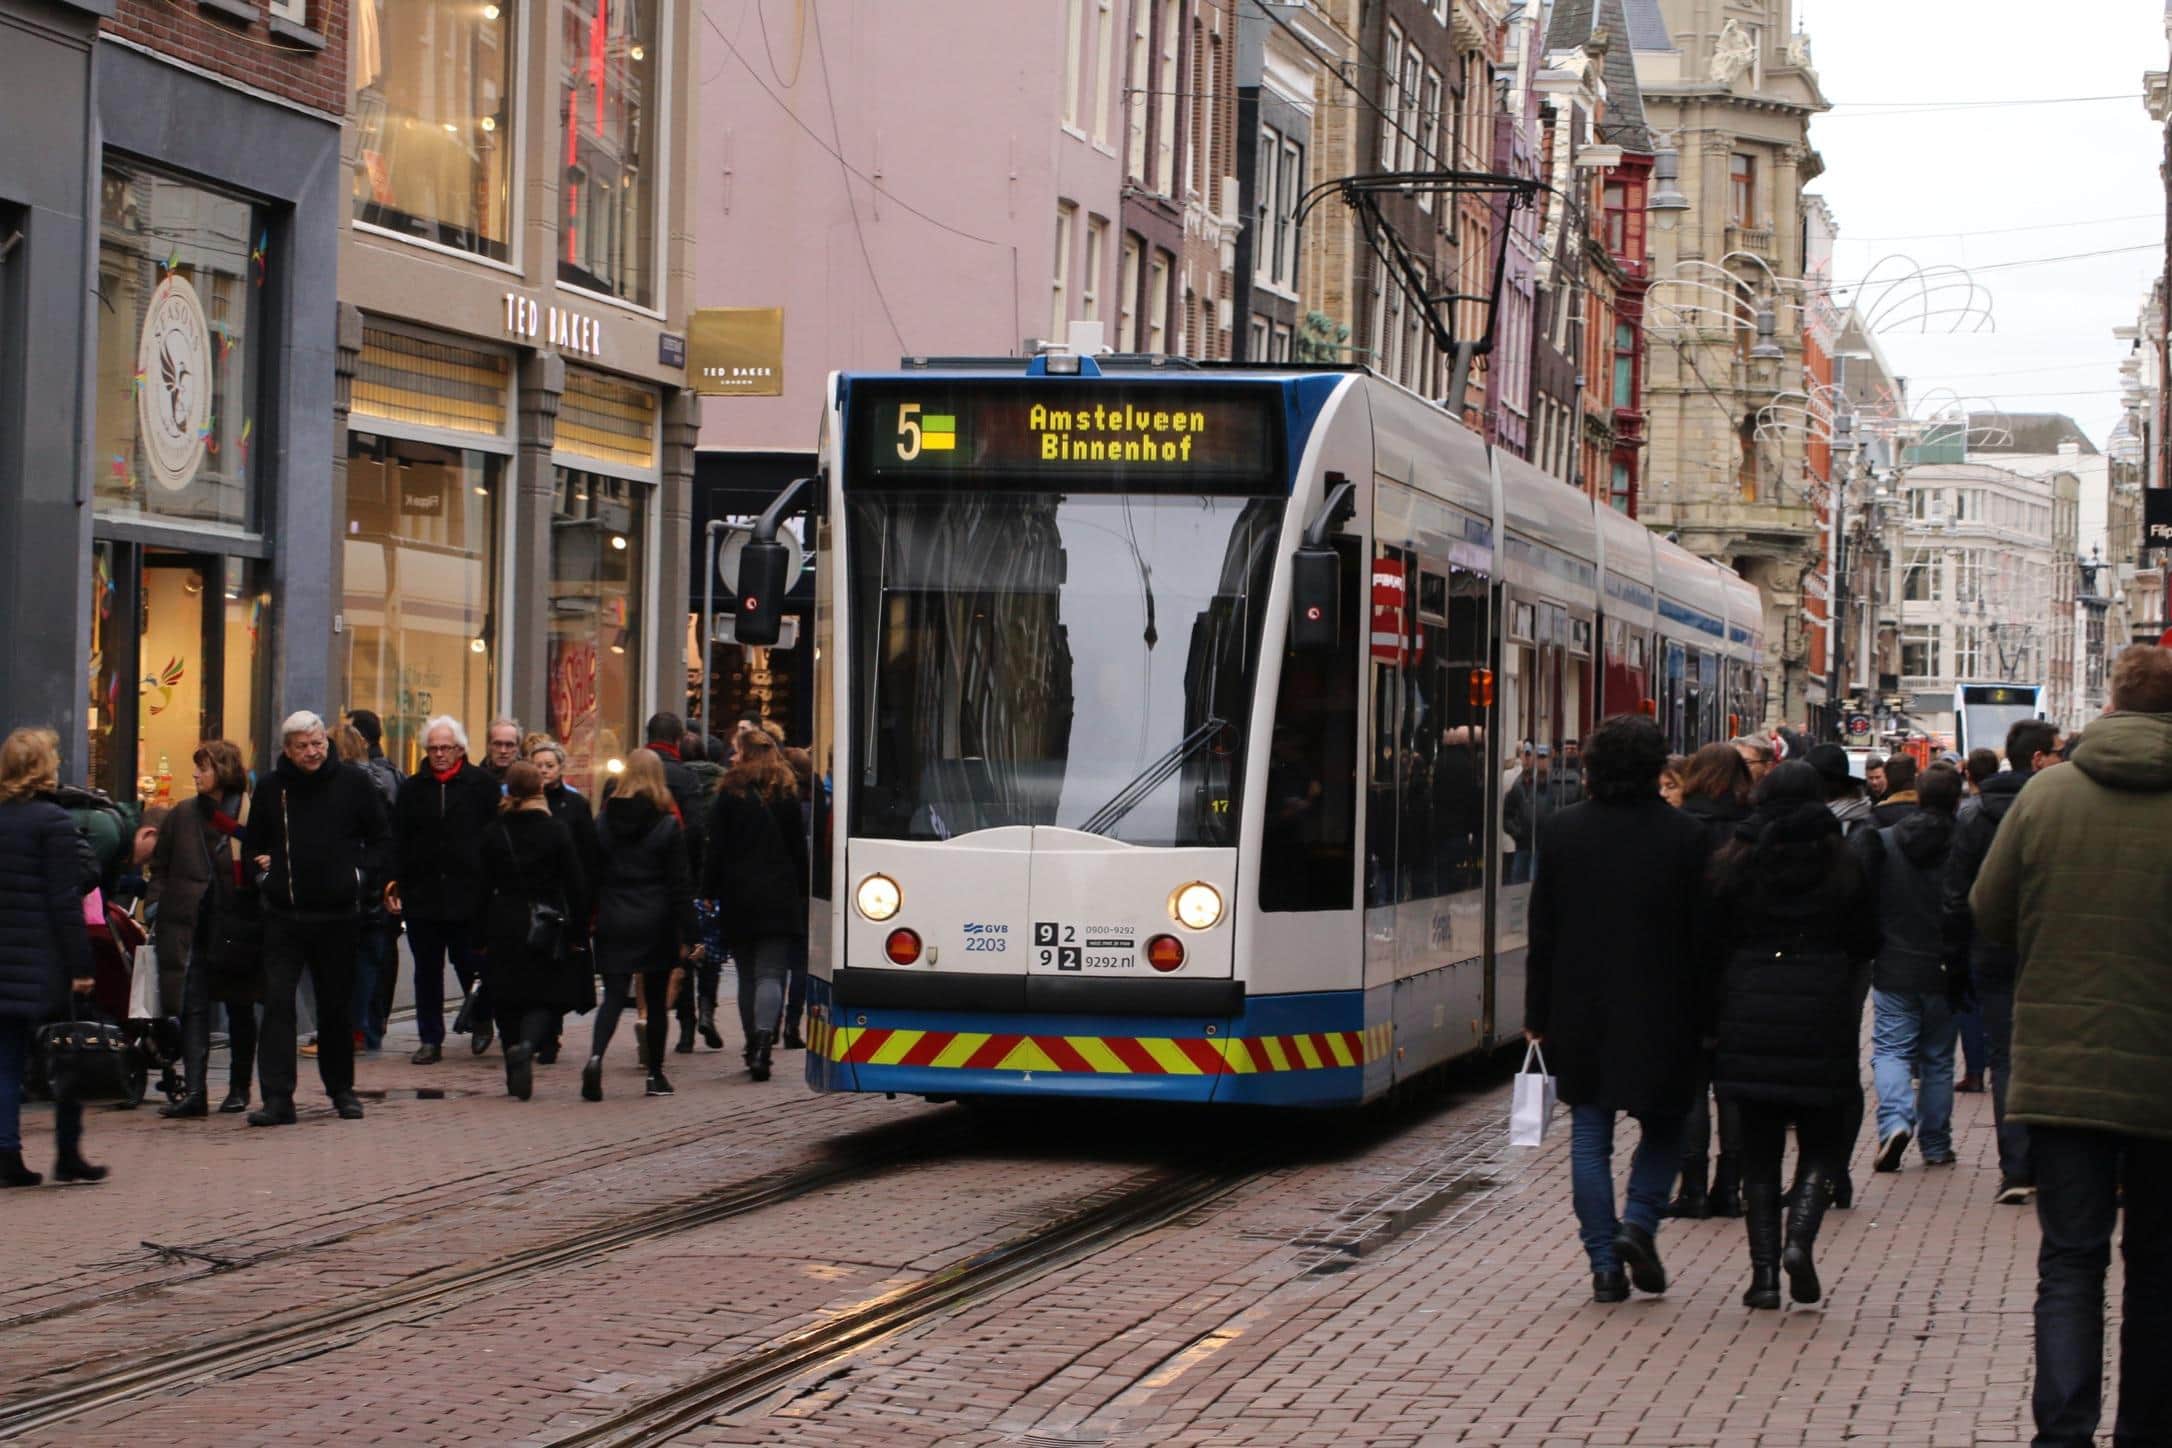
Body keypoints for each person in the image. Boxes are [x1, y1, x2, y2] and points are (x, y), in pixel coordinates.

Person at [1969, 645, 2172, 1448]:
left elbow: (1989, 910)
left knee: (2071, 1263)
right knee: (2158, 1268)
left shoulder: (2048, 794)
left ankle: (2064, 1427)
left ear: (2113, 704)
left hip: (2062, 1065)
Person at [1523, 715, 1711, 1303]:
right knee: (1665, 1126)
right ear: (1659, 767)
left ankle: (1604, 1263)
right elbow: (1702, 935)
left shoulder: (1562, 831)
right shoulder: (1687, 836)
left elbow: (1543, 930)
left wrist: (1537, 1012)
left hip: (1580, 1005)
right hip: (1666, 1004)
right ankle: (1639, 1224)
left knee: (1590, 1133)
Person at [1710, 761, 1880, 1309]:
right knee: (1821, 1141)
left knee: (1757, 1155)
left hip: (1751, 1007)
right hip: (1821, 1012)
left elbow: (1714, 935)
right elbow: (1867, 939)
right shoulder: (1842, 860)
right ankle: (1799, 1242)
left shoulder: (1738, 860)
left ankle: (1763, 1278)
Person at [241, 711, 390, 1126]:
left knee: (336, 1006)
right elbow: (253, 843)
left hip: (338, 914)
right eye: (303, 746)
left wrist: (360, 876)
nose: (312, 752)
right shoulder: (272, 788)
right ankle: (276, 1097)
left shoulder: (355, 784)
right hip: (284, 914)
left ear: (328, 741)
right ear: (288, 749)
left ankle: (341, 1088)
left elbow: (381, 839)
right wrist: (265, 873)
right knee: (277, 1004)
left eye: (318, 743)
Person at [1945, 715, 2063, 1206]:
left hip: (1992, 952)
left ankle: (2015, 1168)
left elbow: (1957, 895)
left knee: (2005, 1059)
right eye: (2057, 752)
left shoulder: (1972, 816)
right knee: (2054, 1056)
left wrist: (1957, 958)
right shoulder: (2059, 807)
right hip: (2050, 951)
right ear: (2038, 760)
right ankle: (2051, 1164)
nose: (2062, 759)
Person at [0, 728, 103, 1187]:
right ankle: (67, 1151)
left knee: (4, 1061)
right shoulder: (53, 822)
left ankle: (6, 1154)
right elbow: (65, 902)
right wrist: (82, 967)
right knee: (68, 1054)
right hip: (43, 960)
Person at [1858, 762, 1965, 1174]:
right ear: (1958, 799)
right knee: (1938, 1058)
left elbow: (1869, 898)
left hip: (1895, 961)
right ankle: (1936, 1144)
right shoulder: (1965, 843)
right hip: (1945, 963)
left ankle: (1896, 1122)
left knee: (1890, 1050)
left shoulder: (1885, 842)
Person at [1665, 742, 1755, 1220]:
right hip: (1743, 974)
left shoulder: (1679, 832)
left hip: (1687, 973)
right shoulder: (1754, 833)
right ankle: (1731, 1186)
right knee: (1734, 1086)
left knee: (1693, 1086)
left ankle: (1693, 1185)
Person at [147, 741, 260, 1117]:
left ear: (223, 771)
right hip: (189, 924)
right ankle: (195, 1091)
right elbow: (160, 867)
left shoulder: (248, 814)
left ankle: (239, 1087)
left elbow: (265, 863)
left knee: (239, 1006)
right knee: (192, 1006)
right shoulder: (181, 815)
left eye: (204, 768)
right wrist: (155, 905)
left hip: (236, 923)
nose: (195, 774)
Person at [387, 716, 501, 1064]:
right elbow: (399, 838)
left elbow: (495, 836)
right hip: (423, 894)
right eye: (433, 748)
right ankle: (430, 1038)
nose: (439, 754)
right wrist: (394, 882)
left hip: (469, 893)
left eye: (445, 748)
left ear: (459, 749)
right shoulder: (412, 788)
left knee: (470, 963)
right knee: (427, 970)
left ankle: (482, 1019)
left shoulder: (481, 785)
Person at [585, 750, 697, 1100]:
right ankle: (655, 1074)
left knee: (614, 996)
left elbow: (591, 874)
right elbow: (679, 883)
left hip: (614, 914)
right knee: (656, 996)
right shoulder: (666, 824)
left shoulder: (603, 821)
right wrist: (690, 932)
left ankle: (595, 1057)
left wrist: (587, 918)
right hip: (656, 918)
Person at [703, 728, 810, 1083]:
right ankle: (765, 1039)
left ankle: (752, 1044)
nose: (731, 757)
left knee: (748, 973)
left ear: (745, 754)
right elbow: (798, 850)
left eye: (735, 751)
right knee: (771, 972)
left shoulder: (729, 792)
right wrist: (803, 892)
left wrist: (708, 889)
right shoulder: (786, 792)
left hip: (740, 893)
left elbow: (715, 848)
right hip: (779, 893)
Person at [477, 763, 588, 1101]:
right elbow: (575, 883)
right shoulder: (555, 830)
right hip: (546, 921)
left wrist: (478, 932)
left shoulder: (494, 832)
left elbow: (480, 885)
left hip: (503, 919)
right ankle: (527, 1045)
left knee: (506, 996)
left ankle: (514, 1061)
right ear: (540, 790)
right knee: (546, 995)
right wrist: (578, 929)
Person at [1868, 754, 1920, 827]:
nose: (1874, 782)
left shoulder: (1879, 814)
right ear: (1915, 777)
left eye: (1877, 777)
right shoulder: (1928, 810)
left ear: (1887, 780)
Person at [481, 718, 524, 783]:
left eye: (509, 745)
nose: (503, 751)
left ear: (518, 747)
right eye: (497, 744)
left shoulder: (529, 781)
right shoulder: (474, 780)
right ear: (488, 746)